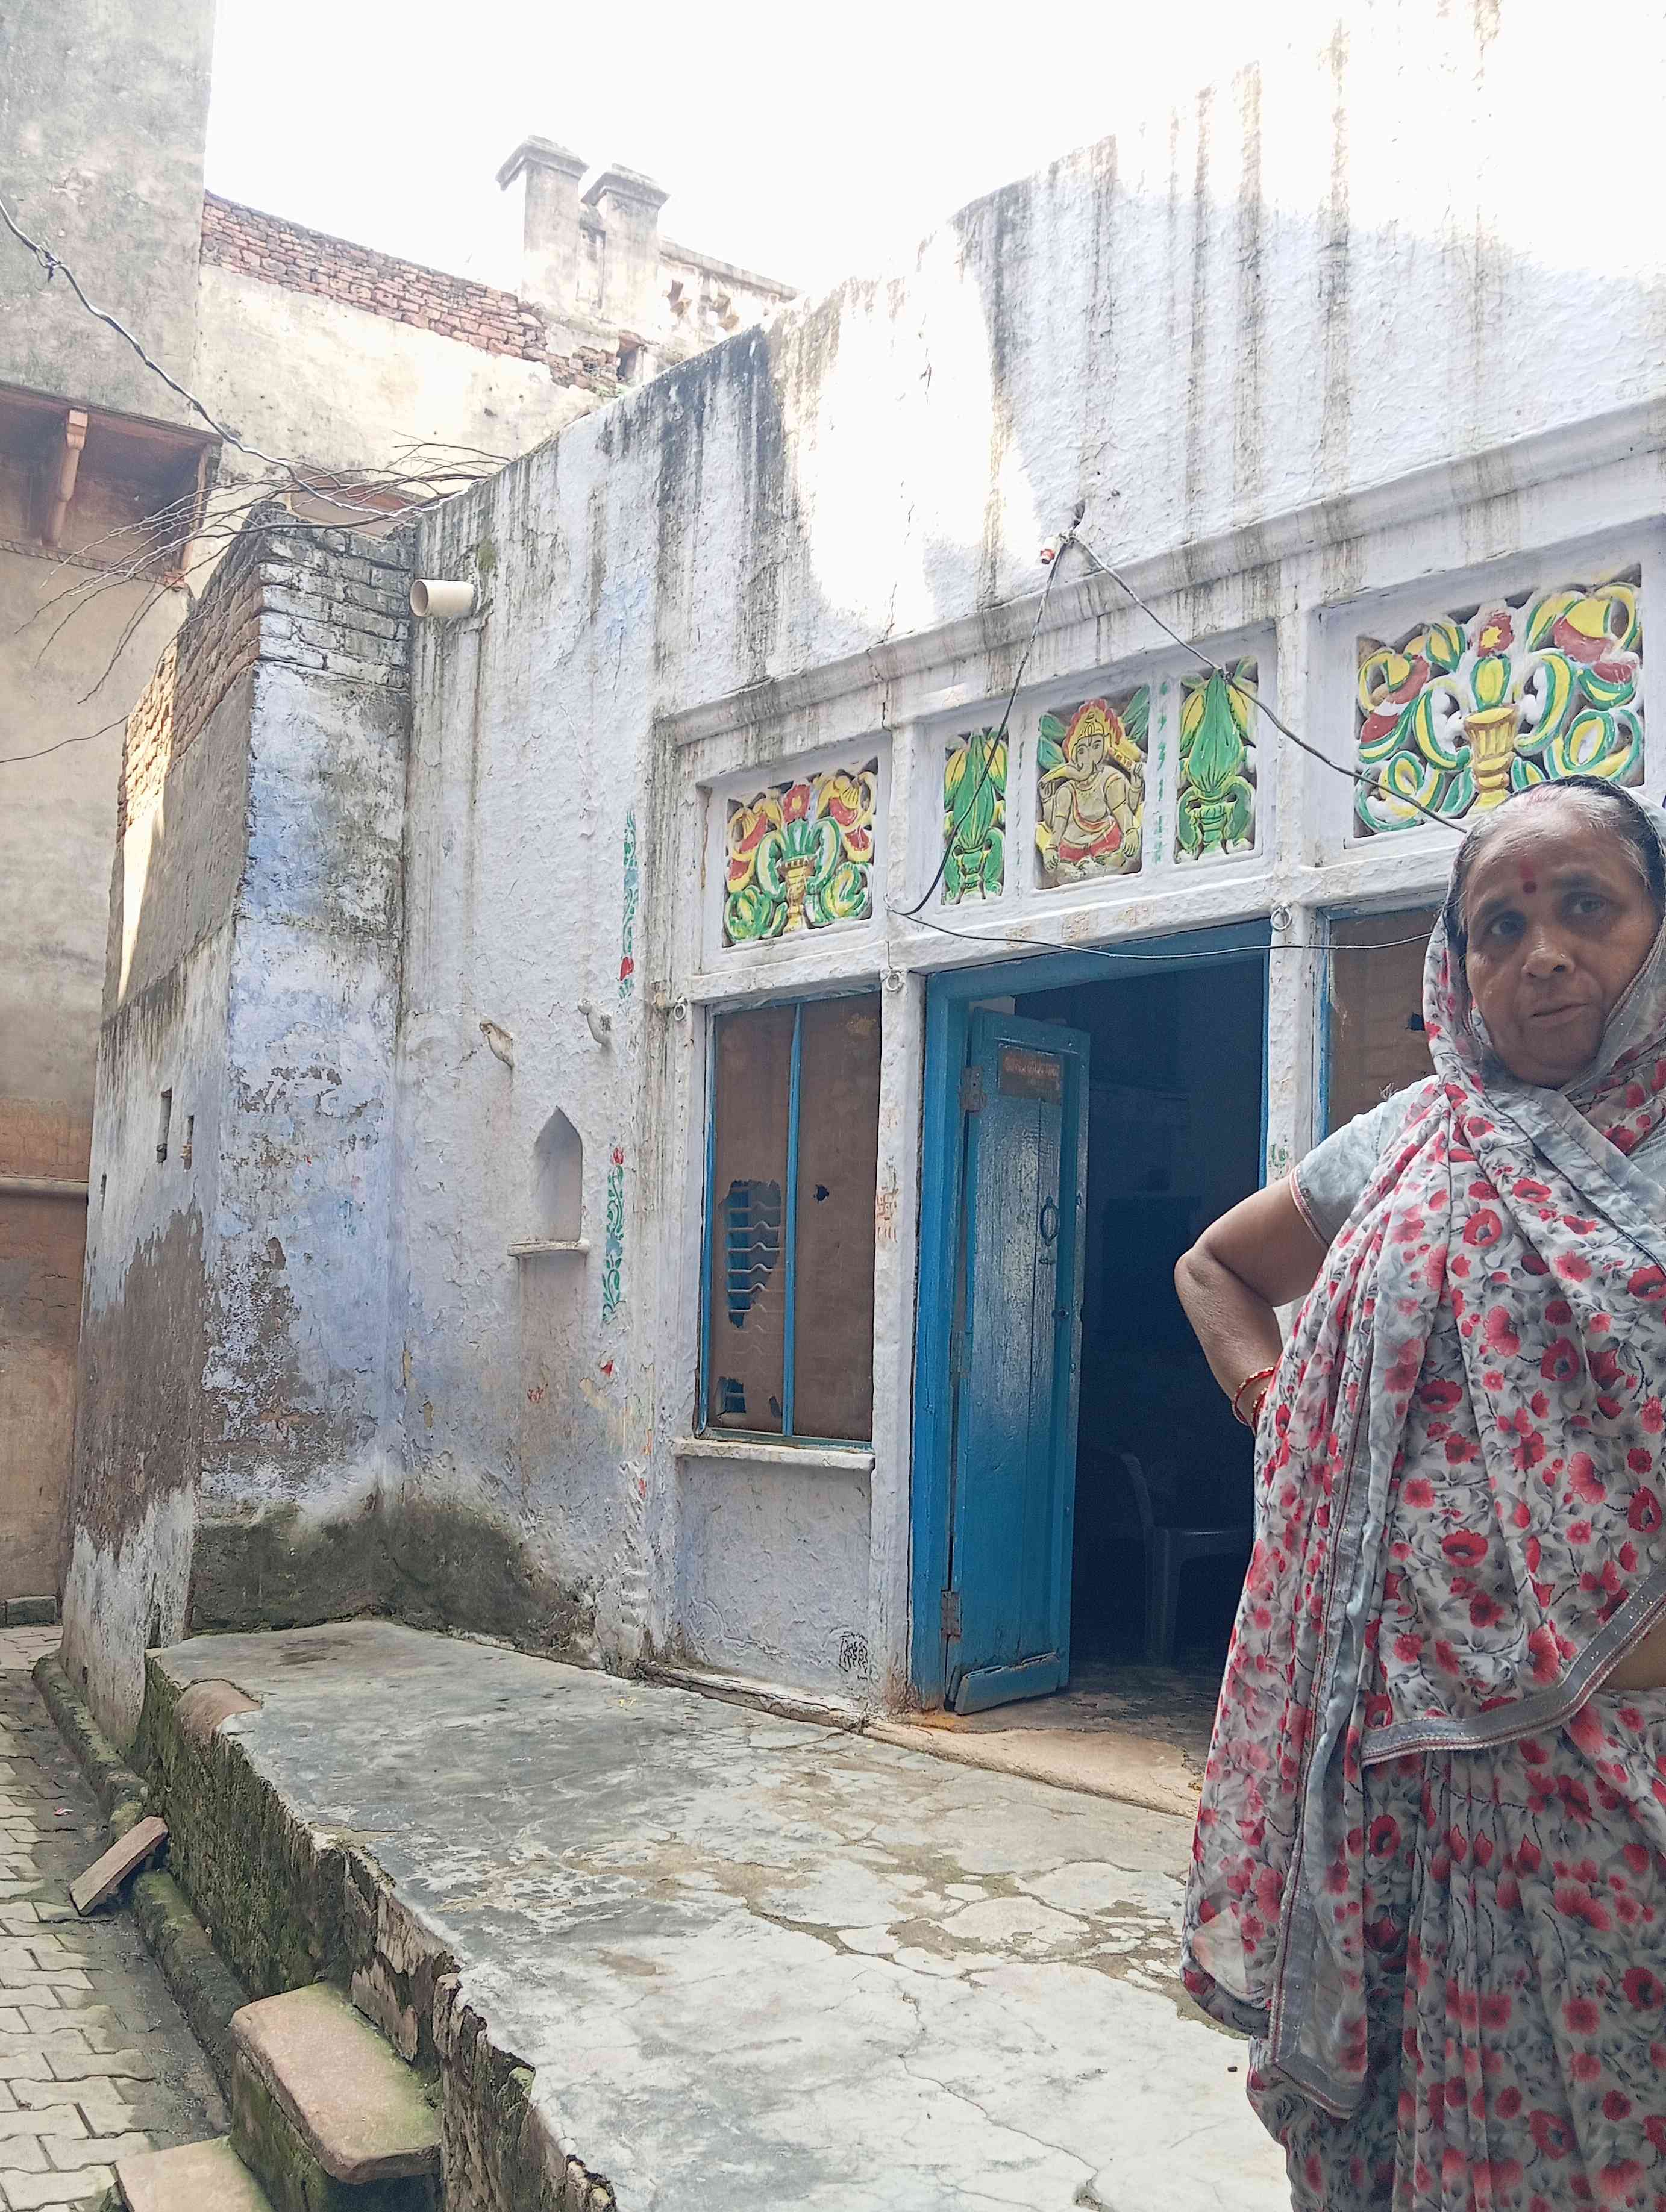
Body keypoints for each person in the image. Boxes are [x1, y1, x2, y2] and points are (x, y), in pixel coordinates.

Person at [1174, 775, 1666, 2211]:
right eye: (1500, 926)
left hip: (1628, 1773)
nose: (1543, 955)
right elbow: (1217, 1269)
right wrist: (1287, 1419)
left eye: (1588, 908)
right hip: (1400, 1784)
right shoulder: (1411, 1144)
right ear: (1457, 967)